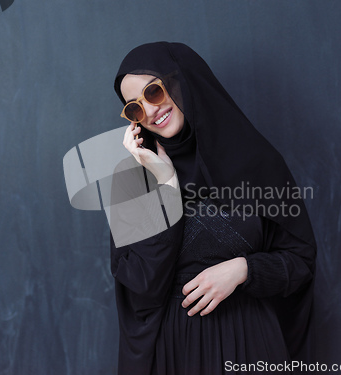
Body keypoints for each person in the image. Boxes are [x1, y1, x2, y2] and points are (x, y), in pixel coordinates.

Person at [109, 42, 317, 375]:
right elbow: (142, 286)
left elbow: (300, 262)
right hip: (174, 350)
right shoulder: (133, 179)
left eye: (153, 92)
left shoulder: (256, 161)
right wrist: (165, 184)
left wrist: (243, 270)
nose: (149, 112)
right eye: (134, 108)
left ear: (183, 81)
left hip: (249, 343)